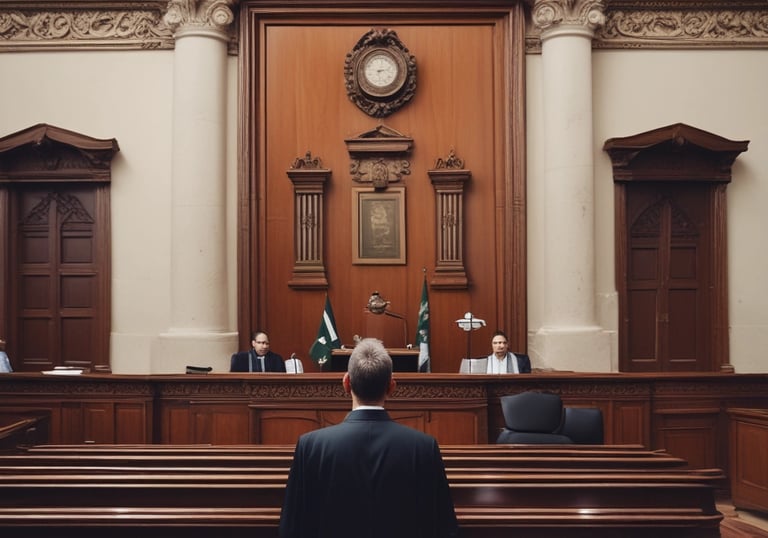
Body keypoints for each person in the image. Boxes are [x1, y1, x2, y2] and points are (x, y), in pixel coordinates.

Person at [279, 338, 459, 538]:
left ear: (346, 383)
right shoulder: (424, 447)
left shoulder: (310, 446)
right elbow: (443, 528)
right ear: (391, 387)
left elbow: (292, 529)